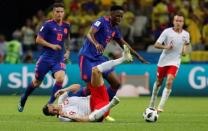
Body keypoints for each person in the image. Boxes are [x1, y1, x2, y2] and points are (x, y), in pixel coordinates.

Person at [42, 44, 133, 122]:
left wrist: (65, 89)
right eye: (53, 112)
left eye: (53, 107)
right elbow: (79, 119)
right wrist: (67, 115)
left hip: (94, 97)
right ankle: (110, 105)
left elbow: (77, 86)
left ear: (51, 104)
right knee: (91, 117)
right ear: (53, 115)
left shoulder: (61, 100)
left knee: (95, 70)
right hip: (95, 108)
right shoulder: (63, 117)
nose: (55, 110)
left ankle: (123, 58)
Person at [78, 5, 148, 103]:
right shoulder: (101, 21)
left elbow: (124, 44)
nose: (119, 18)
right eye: (117, 16)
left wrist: (138, 56)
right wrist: (96, 43)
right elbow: (90, 34)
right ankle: (72, 97)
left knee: (116, 83)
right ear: (111, 14)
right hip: (87, 58)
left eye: (121, 17)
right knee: (91, 89)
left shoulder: (115, 29)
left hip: (99, 59)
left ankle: (105, 107)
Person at [18, 2, 70, 112]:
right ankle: (24, 97)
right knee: (37, 82)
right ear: (53, 13)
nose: (59, 14)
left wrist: (68, 51)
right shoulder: (47, 25)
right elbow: (38, 40)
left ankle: (50, 103)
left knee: (60, 78)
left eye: (61, 12)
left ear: (64, 13)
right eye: (57, 12)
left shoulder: (66, 26)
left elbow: (67, 39)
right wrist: (52, 45)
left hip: (59, 59)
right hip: (46, 58)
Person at [148, 13, 191, 112]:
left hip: (175, 61)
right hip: (164, 60)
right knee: (159, 82)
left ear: (183, 23)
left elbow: (187, 44)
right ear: (173, 21)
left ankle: (160, 107)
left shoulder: (186, 34)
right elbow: (156, 45)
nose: (178, 23)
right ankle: (152, 103)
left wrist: (185, 50)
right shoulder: (167, 32)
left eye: (180, 21)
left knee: (169, 81)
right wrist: (166, 47)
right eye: (176, 21)